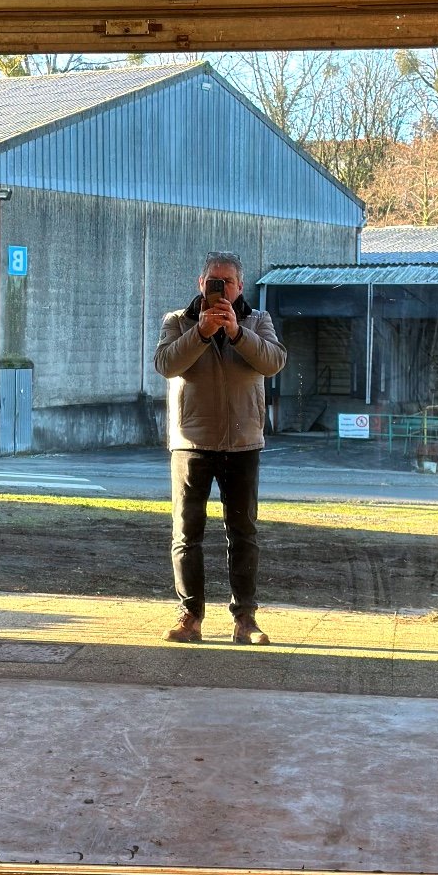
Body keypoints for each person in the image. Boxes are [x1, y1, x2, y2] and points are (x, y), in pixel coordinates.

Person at [154, 251, 287, 645]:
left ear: (240, 287)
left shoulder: (257, 320)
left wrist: (235, 332)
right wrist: (201, 333)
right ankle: (190, 617)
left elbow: (274, 362)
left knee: (244, 534)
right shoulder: (178, 321)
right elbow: (165, 364)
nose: (221, 288)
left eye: (228, 282)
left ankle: (245, 620)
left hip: (243, 443)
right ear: (201, 283)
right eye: (214, 280)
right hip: (192, 443)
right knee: (186, 533)